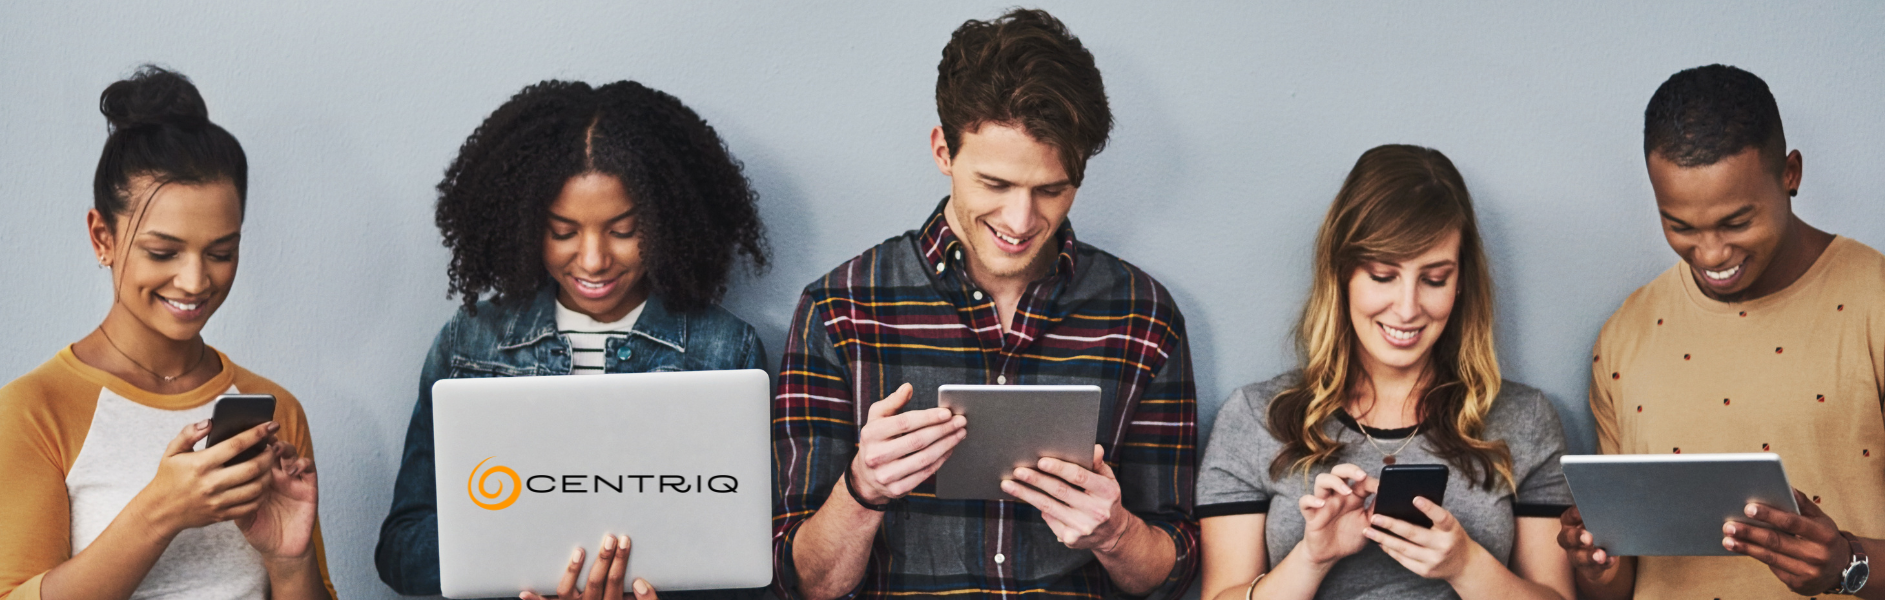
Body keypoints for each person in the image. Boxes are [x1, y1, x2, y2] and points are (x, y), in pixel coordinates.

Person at [770, 9, 1198, 600]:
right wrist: (863, 488)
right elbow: (802, 584)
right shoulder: (839, 310)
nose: (1021, 222)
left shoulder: (1142, 316)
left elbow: (1173, 572)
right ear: (944, 151)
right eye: (994, 185)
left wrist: (1116, 534)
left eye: (1051, 189)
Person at [1560, 64, 1885, 599]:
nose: (1712, 254)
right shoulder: (1624, 336)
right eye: (1680, 226)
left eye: (1737, 222)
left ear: (1790, 173)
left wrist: (1848, 564)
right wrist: (1600, 568)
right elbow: (1625, 582)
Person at [373, 80, 771, 600]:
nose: (592, 260)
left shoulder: (726, 351)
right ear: (523, 225)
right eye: (563, 232)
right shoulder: (470, 343)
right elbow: (400, 551)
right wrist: (524, 563)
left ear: (667, 221)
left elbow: (751, 561)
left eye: (623, 230)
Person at [0, 66, 336, 600]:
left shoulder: (270, 408)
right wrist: (160, 513)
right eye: (163, 252)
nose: (196, 280)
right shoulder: (35, 410)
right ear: (101, 237)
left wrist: (290, 562)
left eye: (222, 253)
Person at [1196, 145, 1575, 600]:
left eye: (1434, 279)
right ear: (1342, 273)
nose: (1408, 308)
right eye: (1382, 275)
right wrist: (1312, 558)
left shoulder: (1525, 419)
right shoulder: (1255, 419)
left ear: (1461, 282)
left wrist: (1466, 565)